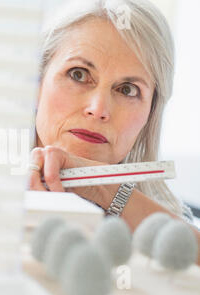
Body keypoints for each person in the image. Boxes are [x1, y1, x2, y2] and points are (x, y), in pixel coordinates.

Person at [27, 0, 200, 265]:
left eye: (128, 90)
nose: (98, 109)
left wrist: (102, 187)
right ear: (37, 82)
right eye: (78, 74)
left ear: (150, 114)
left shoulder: (168, 226)